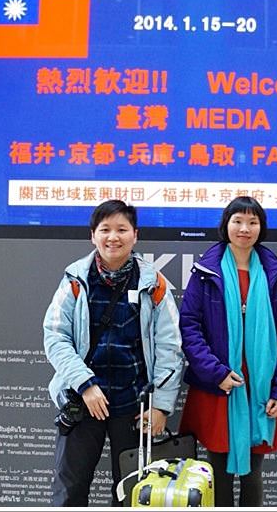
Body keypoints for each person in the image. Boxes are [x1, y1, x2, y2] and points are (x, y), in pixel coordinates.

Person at [43, 200, 183, 506]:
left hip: (133, 405)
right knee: (69, 490)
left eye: (122, 229)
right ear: (93, 235)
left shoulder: (153, 283)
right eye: (105, 229)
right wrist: (85, 383)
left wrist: (160, 405)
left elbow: (171, 348)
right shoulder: (75, 280)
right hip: (83, 401)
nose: (113, 237)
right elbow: (55, 337)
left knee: (132, 493)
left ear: (135, 235)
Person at [179, 196, 277, 506]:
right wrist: (216, 374)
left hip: (259, 387)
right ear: (226, 225)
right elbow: (190, 328)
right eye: (238, 221)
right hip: (220, 386)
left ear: (261, 227)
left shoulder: (272, 274)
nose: (245, 228)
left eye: (252, 222)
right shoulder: (206, 271)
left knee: (254, 474)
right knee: (217, 471)